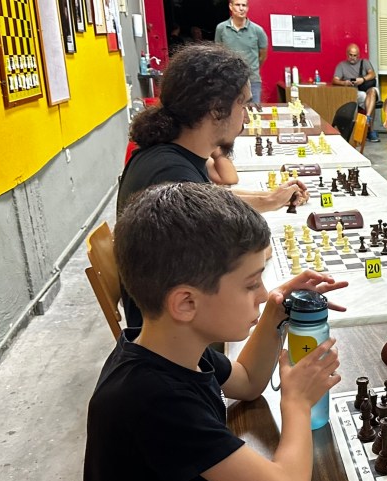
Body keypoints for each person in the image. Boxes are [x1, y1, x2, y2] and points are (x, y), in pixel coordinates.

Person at [84, 181, 347, 481]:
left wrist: (275, 310)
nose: (263, 293)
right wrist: (296, 402)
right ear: (186, 302)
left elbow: (247, 380)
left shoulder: (171, 344)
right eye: (251, 284)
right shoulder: (153, 401)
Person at [119, 44, 307, 327]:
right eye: (242, 105)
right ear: (216, 109)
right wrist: (262, 250)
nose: (246, 116)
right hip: (180, 333)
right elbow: (236, 262)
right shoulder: (169, 174)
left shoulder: (171, 154)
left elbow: (212, 197)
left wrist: (270, 198)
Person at [214, 0, 268, 104]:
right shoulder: (221, 28)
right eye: (238, 5)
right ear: (231, 6)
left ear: (247, 8)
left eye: (244, 5)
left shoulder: (258, 30)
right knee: (229, 111)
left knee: (253, 111)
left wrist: (251, 68)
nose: (241, 8)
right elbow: (218, 54)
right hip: (228, 80)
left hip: (252, 80)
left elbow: (263, 56)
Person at [333, 43, 381, 142]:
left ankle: (367, 118)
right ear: (347, 54)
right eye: (350, 55)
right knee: (366, 98)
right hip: (353, 91)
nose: (352, 57)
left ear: (358, 55)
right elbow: (335, 80)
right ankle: (370, 129)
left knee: (372, 92)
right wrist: (345, 83)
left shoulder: (365, 62)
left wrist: (362, 79)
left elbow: (372, 74)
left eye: (355, 55)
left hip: (368, 88)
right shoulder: (341, 65)